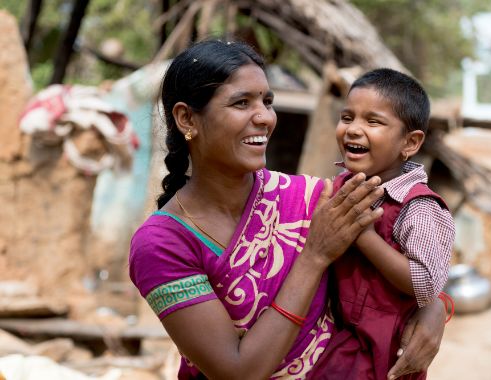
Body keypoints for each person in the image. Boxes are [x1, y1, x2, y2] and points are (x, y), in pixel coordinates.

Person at [129, 40, 447, 380]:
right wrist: (313, 257)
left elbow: (412, 263)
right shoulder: (161, 245)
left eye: (267, 102)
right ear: (186, 118)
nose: (265, 118)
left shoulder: (309, 198)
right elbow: (238, 372)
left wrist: (436, 308)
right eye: (241, 103)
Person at [309, 68, 456, 380]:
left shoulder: (418, 207)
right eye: (347, 117)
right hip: (339, 341)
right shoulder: (341, 186)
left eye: (372, 121)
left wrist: (363, 234)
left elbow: (427, 284)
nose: (352, 129)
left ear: (411, 142)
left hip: (383, 355)